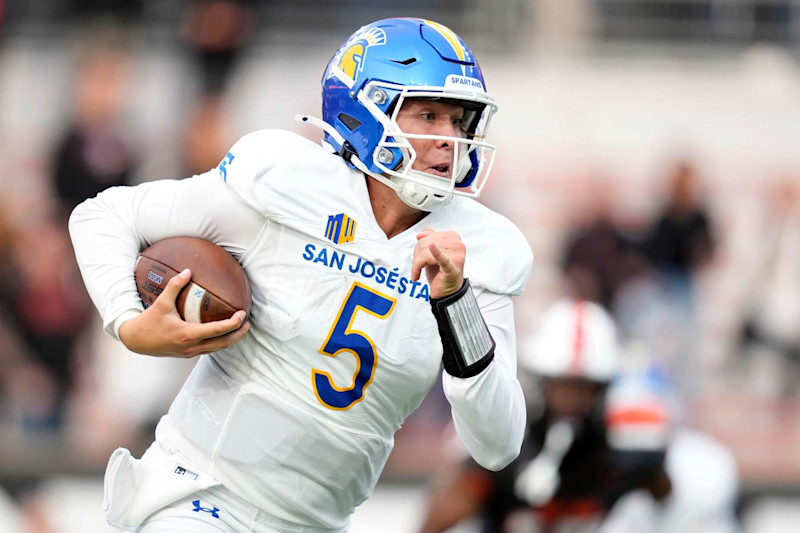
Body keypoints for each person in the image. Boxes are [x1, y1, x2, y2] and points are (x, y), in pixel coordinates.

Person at [69, 18, 532, 533]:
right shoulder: (287, 184)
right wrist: (128, 323)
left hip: (318, 523)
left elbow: (497, 445)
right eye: (429, 114)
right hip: (199, 492)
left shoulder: (480, 252)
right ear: (367, 109)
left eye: (459, 120)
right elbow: (104, 215)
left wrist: (457, 303)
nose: (448, 139)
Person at [417, 300, 671, 533]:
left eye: (584, 388)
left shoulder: (630, 442)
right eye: (562, 386)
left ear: (602, 389)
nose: (571, 400)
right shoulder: (502, 429)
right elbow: (437, 519)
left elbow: (669, 499)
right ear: (541, 383)